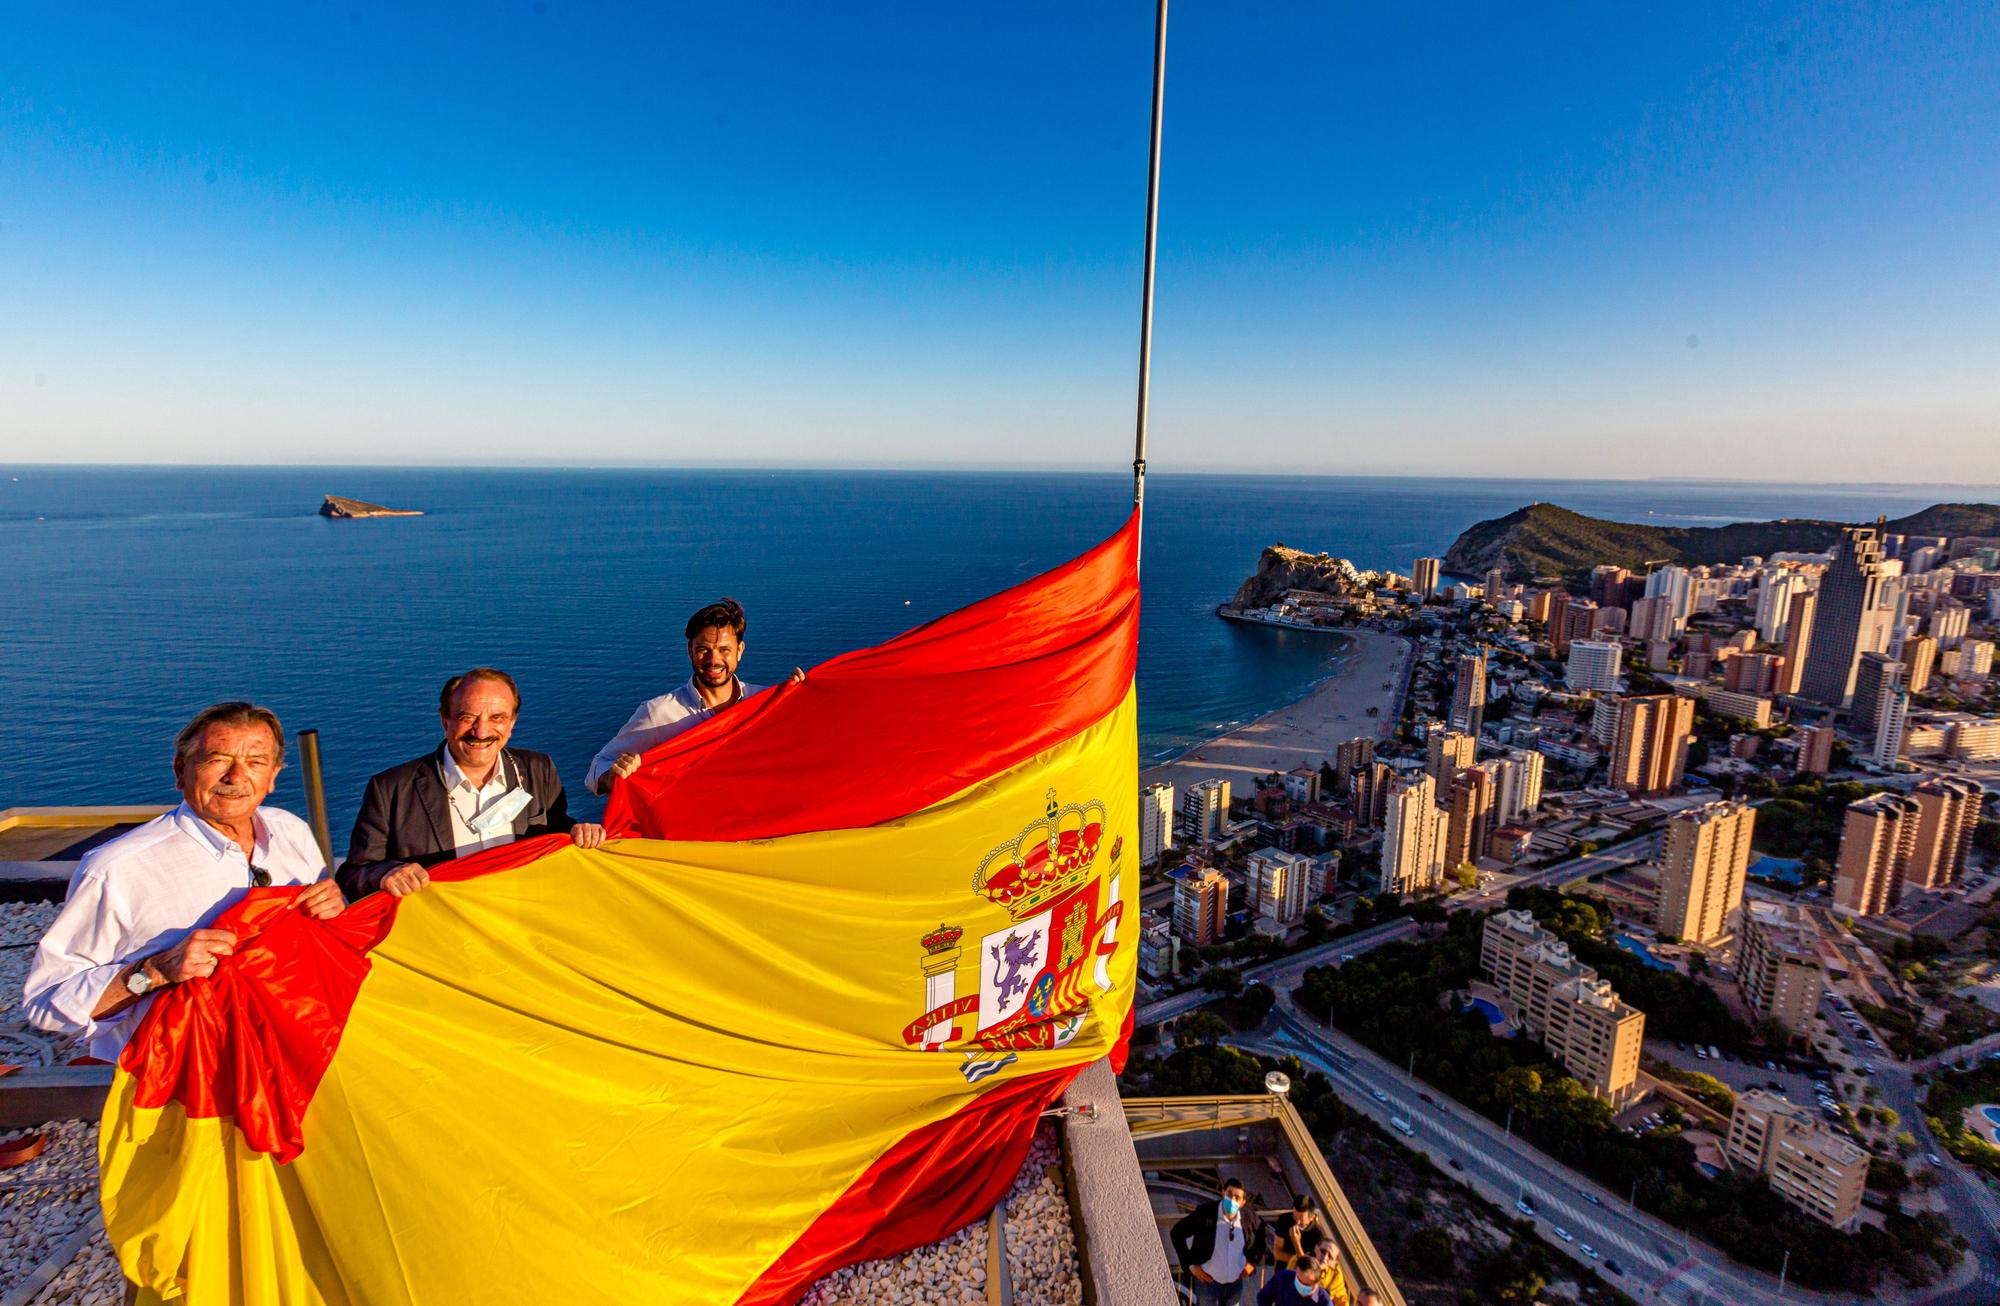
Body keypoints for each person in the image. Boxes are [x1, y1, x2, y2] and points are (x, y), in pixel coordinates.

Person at [22, 702, 346, 1062]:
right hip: (175, 1077)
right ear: (181, 771)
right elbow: (46, 1003)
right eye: (217, 759)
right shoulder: (118, 868)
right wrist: (156, 971)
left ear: (273, 776)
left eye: (255, 763)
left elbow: (324, 950)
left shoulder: (292, 832)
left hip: (287, 1056)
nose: (236, 777)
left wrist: (335, 916)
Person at [339, 668, 604, 899]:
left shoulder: (537, 769)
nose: (481, 731)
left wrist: (580, 830)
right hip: (442, 937)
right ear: (445, 721)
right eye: (468, 718)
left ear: (512, 724)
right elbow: (352, 875)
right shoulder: (391, 789)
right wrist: (387, 874)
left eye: (497, 718)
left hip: (522, 928)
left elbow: (557, 826)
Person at [585, 598, 802, 795]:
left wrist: (804, 699)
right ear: (690, 650)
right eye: (703, 650)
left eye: (724, 650)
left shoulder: (766, 703)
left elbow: (806, 748)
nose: (714, 660)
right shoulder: (659, 714)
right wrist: (614, 774)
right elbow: (598, 767)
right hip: (689, 833)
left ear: (740, 650)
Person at [1170, 1179, 1263, 1304]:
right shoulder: (1205, 1214)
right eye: (1229, 1194)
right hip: (1207, 1285)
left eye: (1237, 1197)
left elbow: (1262, 1237)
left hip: (1235, 1285)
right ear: (1223, 1192)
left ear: (1242, 1202)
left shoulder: (1248, 1217)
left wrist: (1252, 1263)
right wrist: (1190, 1266)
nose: (1232, 1200)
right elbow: (1177, 1233)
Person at [1266, 1194, 1325, 1266]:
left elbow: (1306, 1266)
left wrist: (1296, 1242)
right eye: (1295, 1216)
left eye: (1301, 1218)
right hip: (1283, 1269)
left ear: (1312, 1217)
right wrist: (1297, 1259)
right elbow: (1277, 1252)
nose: (1297, 1222)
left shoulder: (1317, 1235)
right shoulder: (1284, 1219)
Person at [1255, 1255, 1337, 1305]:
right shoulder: (1284, 1277)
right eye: (1298, 1280)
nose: (1300, 1285)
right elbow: (1264, 1297)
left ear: (1317, 1282)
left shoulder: (1324, 1303)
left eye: (1306, 1284)